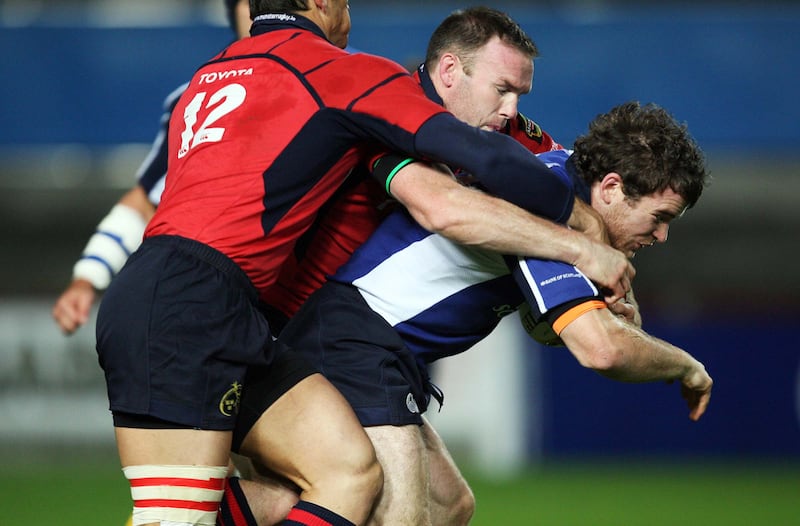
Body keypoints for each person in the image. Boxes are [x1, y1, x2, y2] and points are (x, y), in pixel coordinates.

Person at [94, 2, 635, 526]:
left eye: (520, 93)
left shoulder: (218, 74)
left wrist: (602, 256)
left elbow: (556, 170)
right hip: (254, 315)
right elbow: (447, 205)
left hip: (249, 319)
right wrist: (581, 240)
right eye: (502, 90)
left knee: (381, 488)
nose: (512, 108)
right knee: (205, 512)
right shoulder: (363, 90)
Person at [266, 101, 714, 526]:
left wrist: (604, 312)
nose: (662, 235)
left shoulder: (560, 185)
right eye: (660, 216)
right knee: (400, 516)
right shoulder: (547, 206)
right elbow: (601, 351)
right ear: (612, 188)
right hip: (352, 342)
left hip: (374, 349)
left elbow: (544, 327)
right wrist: (687, 367)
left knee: (448, 506)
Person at [51, 0, 252, 336]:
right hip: (232, 313)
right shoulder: (200, 97)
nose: (265, 10)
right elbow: (145, 203)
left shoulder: (339, 82)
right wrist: (87, 278)